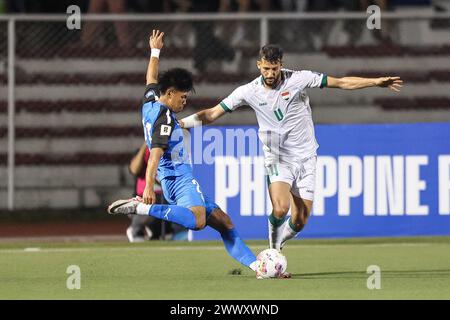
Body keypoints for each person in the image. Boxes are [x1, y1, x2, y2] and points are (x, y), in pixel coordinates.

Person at [180, 44, 403, 255]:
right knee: (280, 208)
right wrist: (182, 123)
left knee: (300, 220)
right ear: (259, 65)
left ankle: (279, 242)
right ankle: (273, 251)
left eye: (274, 68)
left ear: (281, 64)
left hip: (306, 157)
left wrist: (375, 82)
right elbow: (211, 113)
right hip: (277, 157)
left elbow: (342, 83)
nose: (270, 73)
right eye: (266, 68)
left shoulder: (298, 79)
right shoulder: (248, 91)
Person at [107, 30, 264, 277]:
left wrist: (155, 51)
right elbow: (155, 155)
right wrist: (147, 188)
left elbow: (151, 78)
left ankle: (258, 267)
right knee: (198, 220)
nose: (184, 102)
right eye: (181, 97)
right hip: (178, 178)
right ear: (169, 94)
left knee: (224, 222)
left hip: (175, 178)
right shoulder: (165, 121)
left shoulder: (150, 101)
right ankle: (142, 209)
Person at [127, 142, 188, 242]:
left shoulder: (174, 152)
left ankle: (174, 232)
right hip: (147, 198)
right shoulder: (144, 152)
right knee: (148, 204)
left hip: (168, 199)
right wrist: (144, 146)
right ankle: (137, 230)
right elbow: (134, 170)